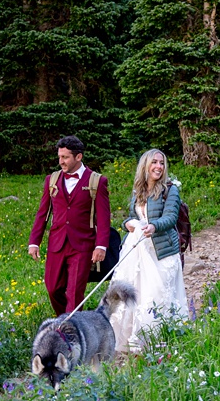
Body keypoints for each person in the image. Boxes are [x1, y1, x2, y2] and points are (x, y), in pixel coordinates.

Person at [108, 149, 189, 353]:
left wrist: (153, 226)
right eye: (154, 162)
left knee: (157, 294)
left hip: (162, 252)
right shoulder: (138, 192)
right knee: (138, 293)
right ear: (145, 165)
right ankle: (135, 342)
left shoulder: (170, 190)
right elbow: (128, 217)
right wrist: (129, 224)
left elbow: (170, 217)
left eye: (162, 163)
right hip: (139, 251)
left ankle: (160, 341)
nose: (159, 167)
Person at [29, 136, 111, 316]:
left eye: (65, 157)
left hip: (82, 246)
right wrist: (34, 241)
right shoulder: (51, 180)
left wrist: (100, 246)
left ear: (78, 157)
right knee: (52, 288)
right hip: (56, 244)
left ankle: (69, 331)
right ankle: (64, 320)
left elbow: (104, 218)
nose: (61, 162)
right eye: (60, 157)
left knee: (75, 293)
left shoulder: (97, 181)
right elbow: (43, 213)